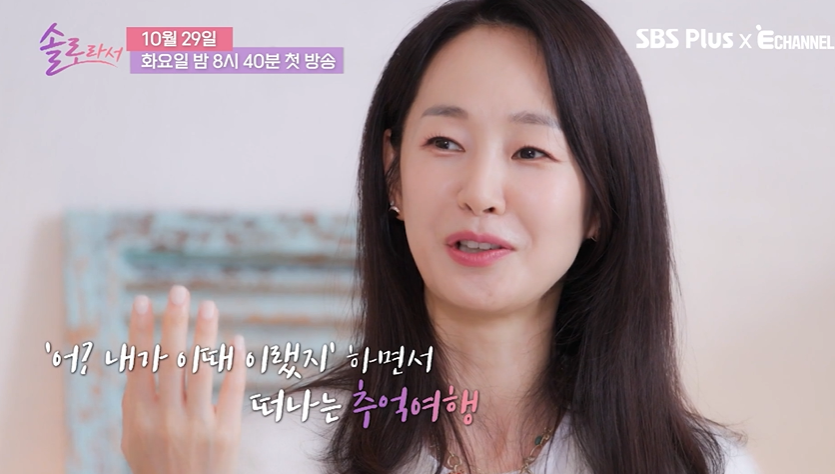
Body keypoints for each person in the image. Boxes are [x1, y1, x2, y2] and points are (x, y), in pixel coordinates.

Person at [120, 0, 762, 473]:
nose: (480, 192)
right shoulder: (274, 453)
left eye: (531, 151)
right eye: (445, 142)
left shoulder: (707, 467)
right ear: (393, 175)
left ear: (601, 202)